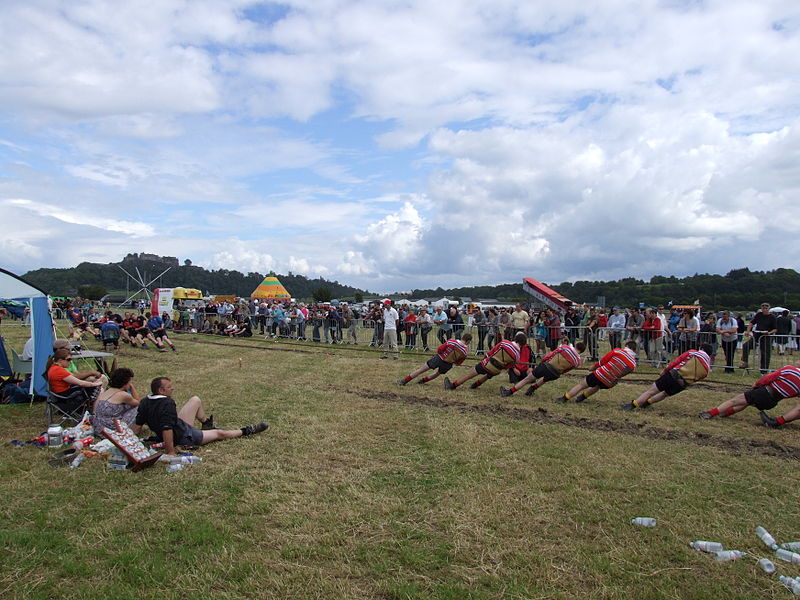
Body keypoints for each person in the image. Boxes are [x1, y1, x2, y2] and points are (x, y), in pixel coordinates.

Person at [132, 376, 268, 455]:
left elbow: (137, 426)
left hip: (179, 426)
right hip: (184, 436)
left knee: (195, 400)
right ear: (161, 390)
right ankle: (247, 431)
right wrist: (171, 451)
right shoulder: (167, 403)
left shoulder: (145, 401)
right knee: (220, 433)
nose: (172, 388)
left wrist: (128, 442)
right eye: (169, 387)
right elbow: (167, 429)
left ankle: (206, 423)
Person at [698, 362, 800, 426]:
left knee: (734, 401)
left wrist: (756, 385)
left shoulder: (789, 370)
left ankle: (710, 413)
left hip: (764, 392)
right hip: (772, 402)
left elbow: (769, 377)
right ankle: (724, 413)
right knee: (746, 402)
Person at [620, 344, 712, 411]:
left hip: (673, 375)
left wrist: (665, 370)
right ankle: (647, 403)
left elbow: (677, 361)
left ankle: (633, 405)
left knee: (651, 391)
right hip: (682, 384)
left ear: (701, 348)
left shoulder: (693, 353)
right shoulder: (707, 370)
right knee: (665, 394)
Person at [554, 341, 638, 404]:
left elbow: (603, 361)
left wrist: (593, 367)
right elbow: (623, 373)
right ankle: (582, 397)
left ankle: (564, 398)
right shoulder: (633, 364)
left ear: (627, 346)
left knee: (582, 385)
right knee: (597, 386)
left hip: (601, 374)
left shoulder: (618, 351)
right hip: (610, 382)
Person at [500, 341, 586, 397]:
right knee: (544, 380)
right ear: (581, 351)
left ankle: (509, 392)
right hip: (556, 373)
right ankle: (532, 389)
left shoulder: (564, 347)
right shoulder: (578, 361)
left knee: (527, 379)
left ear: (576, 345)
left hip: (547, 366)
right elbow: (567, 370)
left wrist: (543, 361)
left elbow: (551, 354)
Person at [444, 332, 525, 390]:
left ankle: (453, 385)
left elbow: (491, 352)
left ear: (516, 339)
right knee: (489, 375)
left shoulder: (505, 343)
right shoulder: (517, 356)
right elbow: (509, 365)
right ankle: (476, 384)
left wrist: (484, 359)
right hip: (497, 369)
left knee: (470, 374)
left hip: (488, 364)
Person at [397, 333, 473, 385]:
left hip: (439, 358)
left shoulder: (451, 342)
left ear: (462, 337)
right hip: (448, 364)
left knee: (421, 370)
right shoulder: (465, 351)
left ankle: (404, 381)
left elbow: (439, 349)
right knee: (437, 373)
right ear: (468, 341)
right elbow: (458, 363)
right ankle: (422, 381)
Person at [92, 367, 140, 434]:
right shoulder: (123, 395)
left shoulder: (108, 391)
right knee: (138, 408)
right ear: (126, 382)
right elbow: (137, 401)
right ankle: (134, 430)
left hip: (98, 427)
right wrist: (131, 387)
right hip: (110, 429)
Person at [740, 302, 778, 373]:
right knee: (746, 345)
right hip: (757, 334)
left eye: (766, 308)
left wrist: (769, 333)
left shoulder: (772, 317)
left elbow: (775, 329)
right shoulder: (759, 315)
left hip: (766, 336)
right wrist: (748, 331)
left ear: (768, 309)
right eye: (763, 308)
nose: (764, 309)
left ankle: (764, 369)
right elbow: (751, 323)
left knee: (765, 352)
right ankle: (745, 362)